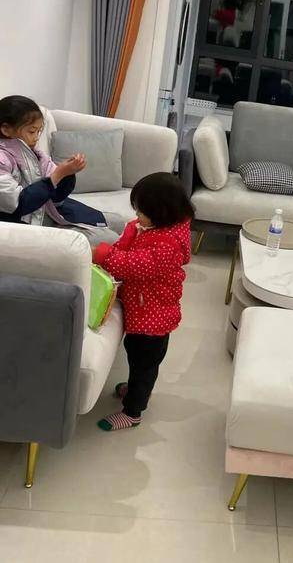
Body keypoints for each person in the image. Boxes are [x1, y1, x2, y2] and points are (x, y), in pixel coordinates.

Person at [93, 172, 193, 432]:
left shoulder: (167, 246)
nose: (137, 216)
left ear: (161, 213)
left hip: (153, 321)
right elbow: (128, 246)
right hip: (143, 311)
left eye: (141, 212)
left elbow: (132, 264)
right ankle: (134, 388)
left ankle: (133, 412)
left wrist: (102, 254)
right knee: (135, 357)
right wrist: (132, 230)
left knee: (144, 366)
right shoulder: (153, 228)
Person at [0, 95, 121, 242]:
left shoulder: (37, 155)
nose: (36, 138)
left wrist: (68, 174)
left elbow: (57, 197)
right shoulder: (2, 160)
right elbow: (18, 204)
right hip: (23, 225)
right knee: (108, 238)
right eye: (32, 132)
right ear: (6, 130)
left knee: (118, 222)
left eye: (39, 132)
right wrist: (57, 175)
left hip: (48, 212)